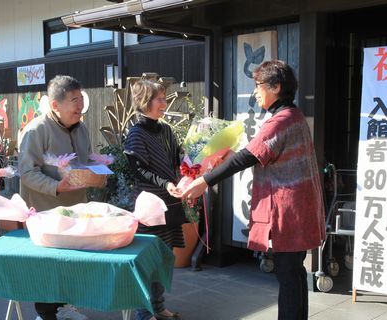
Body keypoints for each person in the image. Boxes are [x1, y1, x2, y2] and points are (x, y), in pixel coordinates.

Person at [181, 60, 326, 320]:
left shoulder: (280, 121)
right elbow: (255, 153)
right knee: (293, 275)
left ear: (277, 87)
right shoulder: (294, 116)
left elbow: (248, 156)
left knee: (289, 277)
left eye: (259, 85)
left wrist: (205, 180)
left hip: (289, 211)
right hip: (299, 210)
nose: (255, 92)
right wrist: (227, 156)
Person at [18, 75, 90, 320]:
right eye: (73, 100)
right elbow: (27, 173)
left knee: (71, 263)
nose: (80, 106)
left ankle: (66, 306)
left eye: (81, 98)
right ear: (55, 105)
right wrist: (56, 186)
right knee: (47, 266)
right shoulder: (36, 130)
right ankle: (46, 313)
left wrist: (99, 172)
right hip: (46, 211)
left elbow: (86, 161)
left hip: (76, 210)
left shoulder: (82, 128)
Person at [124, 79, 184, 320]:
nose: (164, 103)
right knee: (149, 260)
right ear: (145, 102)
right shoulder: (136, 133)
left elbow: (178, 157)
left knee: (165, 258)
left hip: (170, 202)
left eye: (164, 98)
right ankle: (143, 312)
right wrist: (166, 183)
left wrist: (195, 162)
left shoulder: (166, 130)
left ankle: (158, 307)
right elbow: (140, 171)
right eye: (160, 99)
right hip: (150, 206)